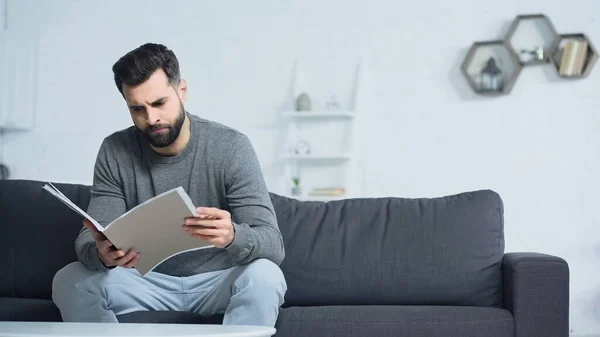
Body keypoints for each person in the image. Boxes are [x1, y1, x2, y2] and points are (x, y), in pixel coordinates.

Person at [51, 43, 287, 327]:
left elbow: (273, 244)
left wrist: (233, 236)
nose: (151, 119)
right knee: (69, 280)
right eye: (137, 109)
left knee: (267, 276)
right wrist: (102, 254)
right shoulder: (115, 150)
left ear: (182, 91)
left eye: (159, 103)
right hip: (144, 283)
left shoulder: (231, 146)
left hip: (217, 282)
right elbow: (89, 239)